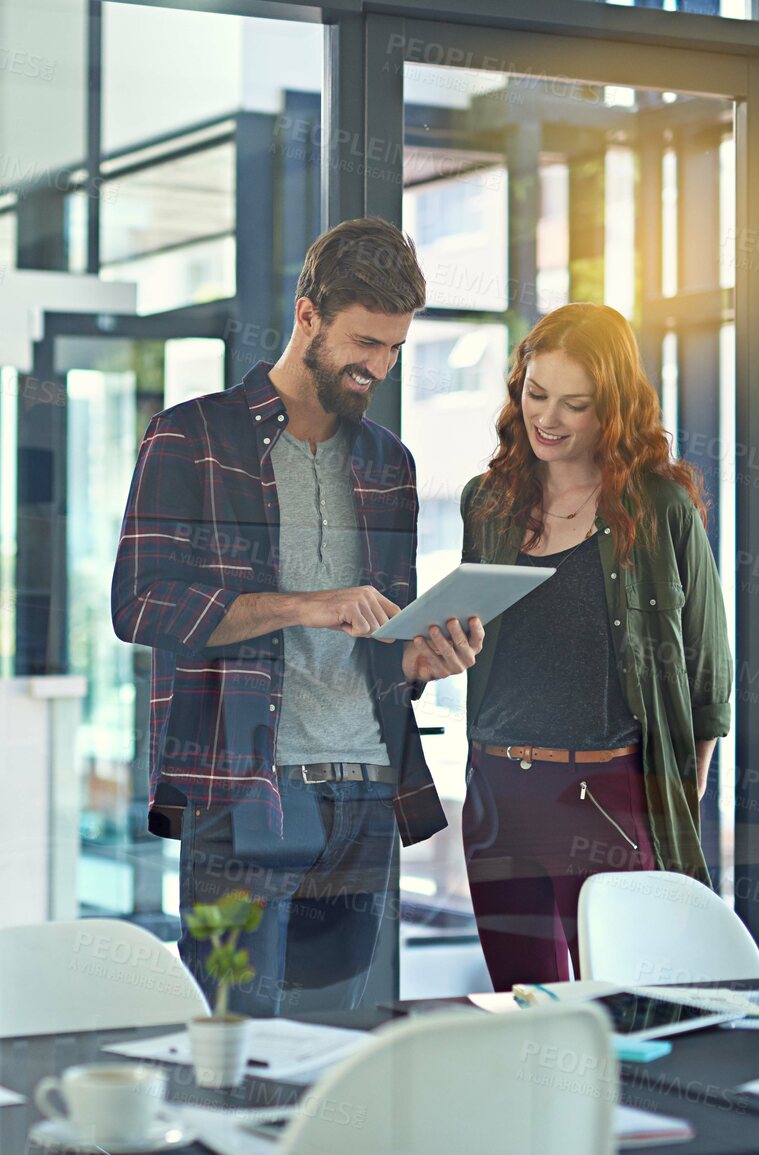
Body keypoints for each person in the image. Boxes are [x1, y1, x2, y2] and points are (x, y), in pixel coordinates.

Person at [112, 218, 484, 1016]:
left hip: (366, 792)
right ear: (307, 315)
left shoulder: (389, 463)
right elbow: (139, 601)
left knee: (343, 1050)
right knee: (232, 1045)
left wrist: (421, 659)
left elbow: (377, 641)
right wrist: (306, 605)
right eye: (364, 343)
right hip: (245, 791)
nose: (378, 366)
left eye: (392, 349)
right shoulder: (189, 437)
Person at [458, 302, 732, 991]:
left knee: (626, 999)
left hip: (603, 794)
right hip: (495, 792)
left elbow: (708, 666)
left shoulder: (658, 505)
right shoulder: (486, 503)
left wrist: (678, 787)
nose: (546, 418)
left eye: (572, 404)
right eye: (534, 394)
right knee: (525, 1002)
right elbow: (474, 637)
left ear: (608, 407)